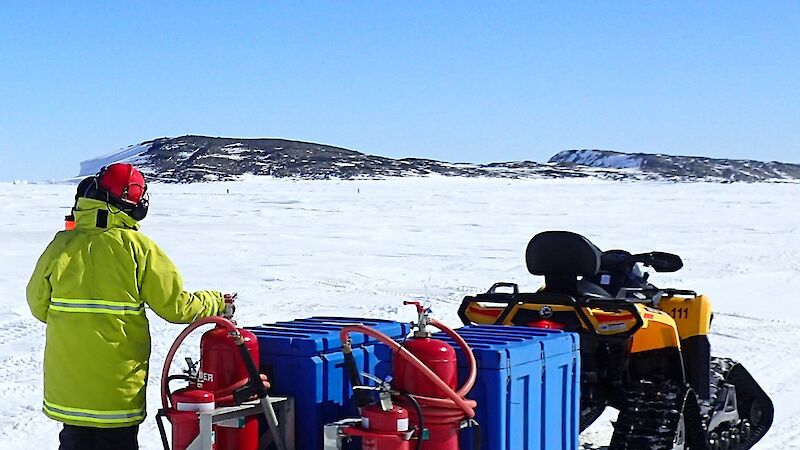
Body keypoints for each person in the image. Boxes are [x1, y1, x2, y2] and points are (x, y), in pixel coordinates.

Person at [27, 162, 227, 450]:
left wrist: (76, 323)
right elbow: (176, 307)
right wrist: (214, 300)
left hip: (69, 392)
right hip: (117, 393)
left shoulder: (61, 245)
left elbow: (37, 304)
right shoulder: (139, 248)